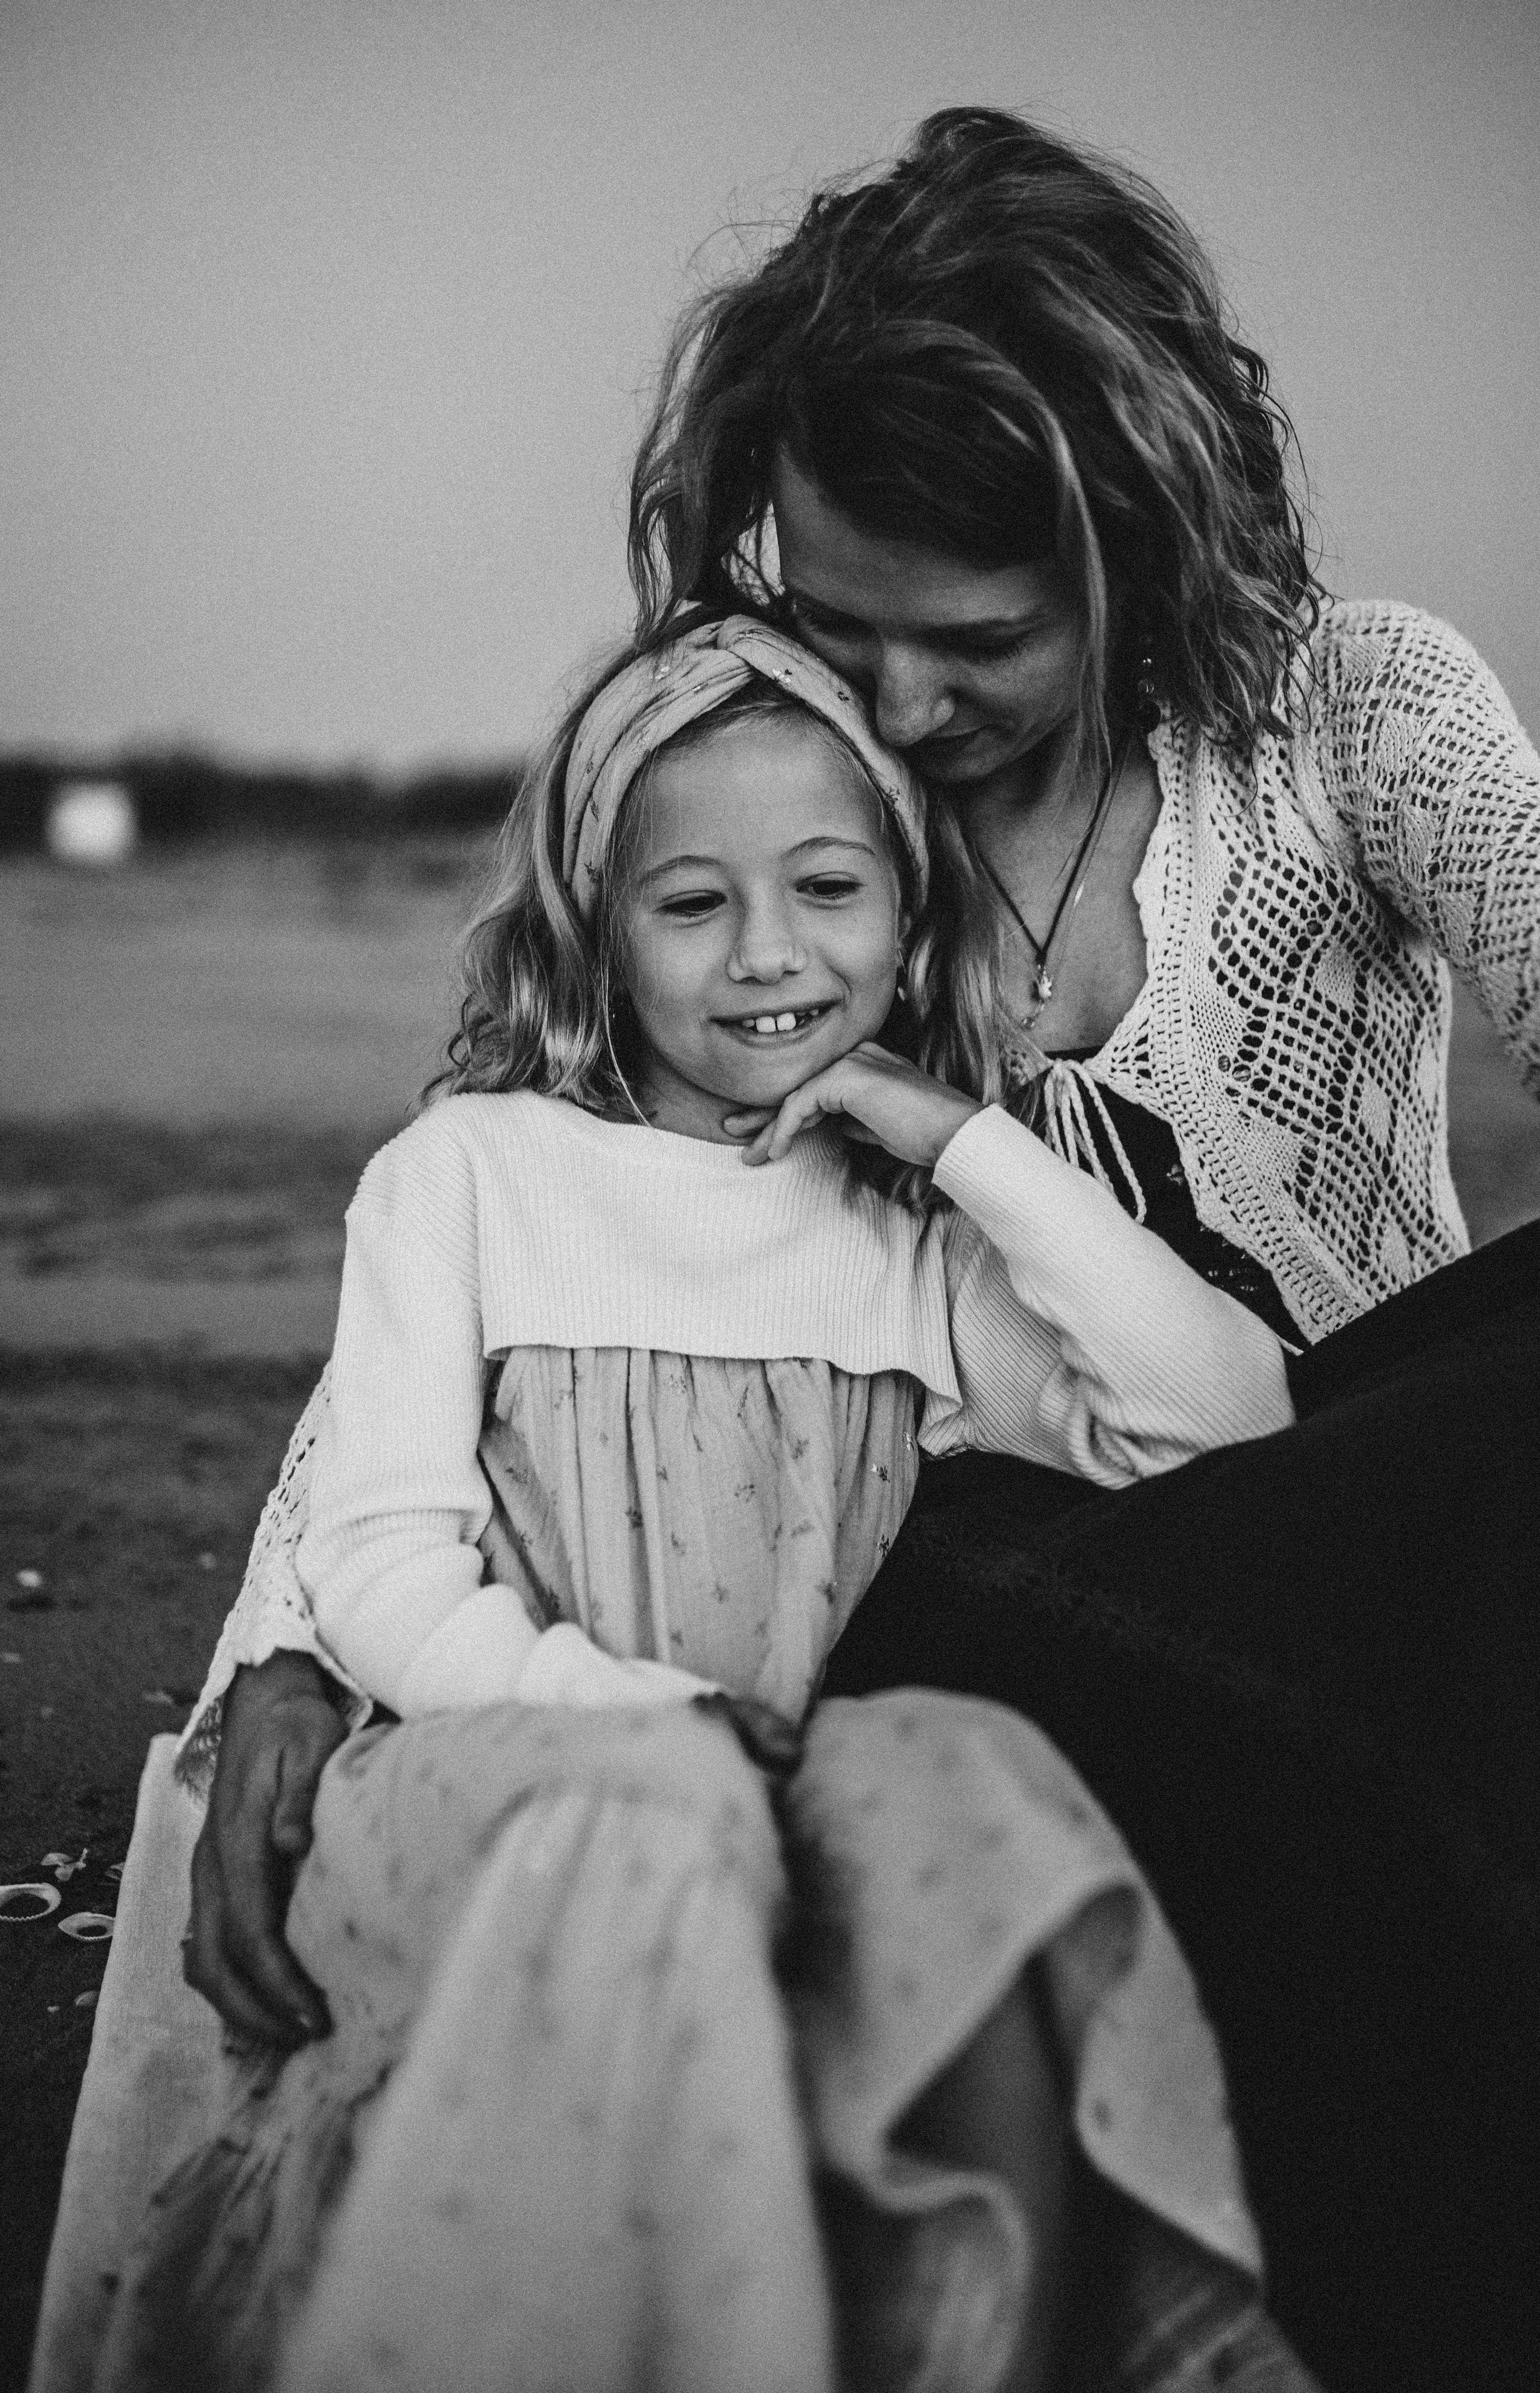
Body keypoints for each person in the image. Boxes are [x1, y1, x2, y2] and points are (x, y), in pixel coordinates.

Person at [186, 109, 1540, 2390]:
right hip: (998, 1578)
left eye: (980, 640)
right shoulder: (770, 801)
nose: (902, 706)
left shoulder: (1353, 714)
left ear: (1146, 544)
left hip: (1361, 1506)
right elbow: (513, 1204)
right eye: (837, 618)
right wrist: (292, 1641)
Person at [108, 618, 1318, 2393]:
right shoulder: (471, 1174)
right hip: (479, 1771)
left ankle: (973, 2335)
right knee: (667, 1813)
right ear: (600, 929)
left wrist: (958, 1142)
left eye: (829, 887)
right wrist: (644, 1723)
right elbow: (371, 1563)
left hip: (750, 1767)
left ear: (910, 916)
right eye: (692, 905)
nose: (770, 954)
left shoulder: (899, 1245)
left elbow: (1224, 1417)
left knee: (975, 1774)